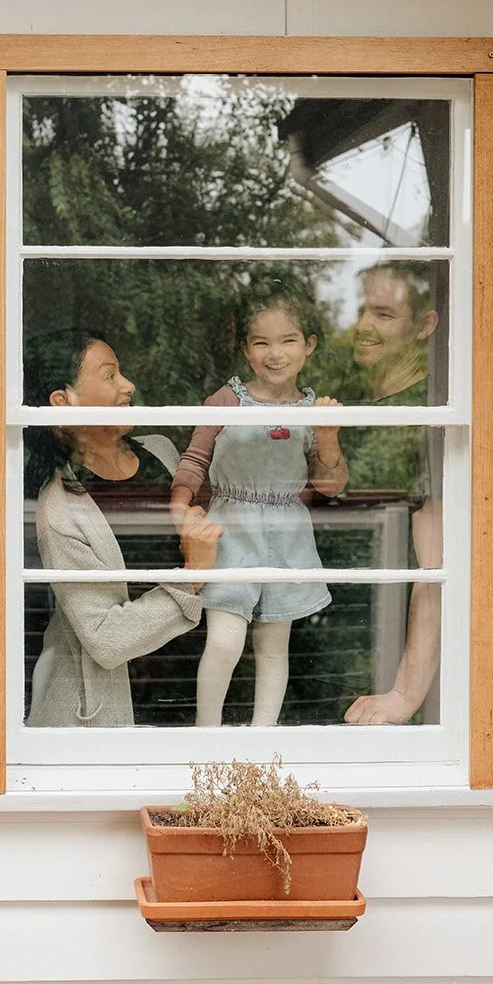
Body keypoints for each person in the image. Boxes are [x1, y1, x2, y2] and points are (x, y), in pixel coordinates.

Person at [25, 328, 222, 728]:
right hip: (105, 717)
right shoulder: (60, 512)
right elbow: (105, 639)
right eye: (110, 375)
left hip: (192, 691)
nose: (128, 385)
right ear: (65, 402)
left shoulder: (163, 453)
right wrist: (192, 577)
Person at [170, 286, 347, 726]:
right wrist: (180, 509)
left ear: (309, 344)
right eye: (261, 342)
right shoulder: (226, 401)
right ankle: (206, 736)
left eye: (288, 340)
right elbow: (195, 459)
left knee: (273, 648)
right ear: (246, 349)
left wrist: (327, 436)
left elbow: (329, 485)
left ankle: (262, 741)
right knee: (226, 641)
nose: (275, 353)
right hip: (231, 530)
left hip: (288, 536)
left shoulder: (312, 410)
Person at [342, 264, 442, 726]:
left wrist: (404, 693)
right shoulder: (359, 403)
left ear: (425, 326)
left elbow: (434, 568)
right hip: (335, 639)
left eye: (384, 314)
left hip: (378, 664)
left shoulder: (428, 416)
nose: (364, 327)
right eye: (363, 310)